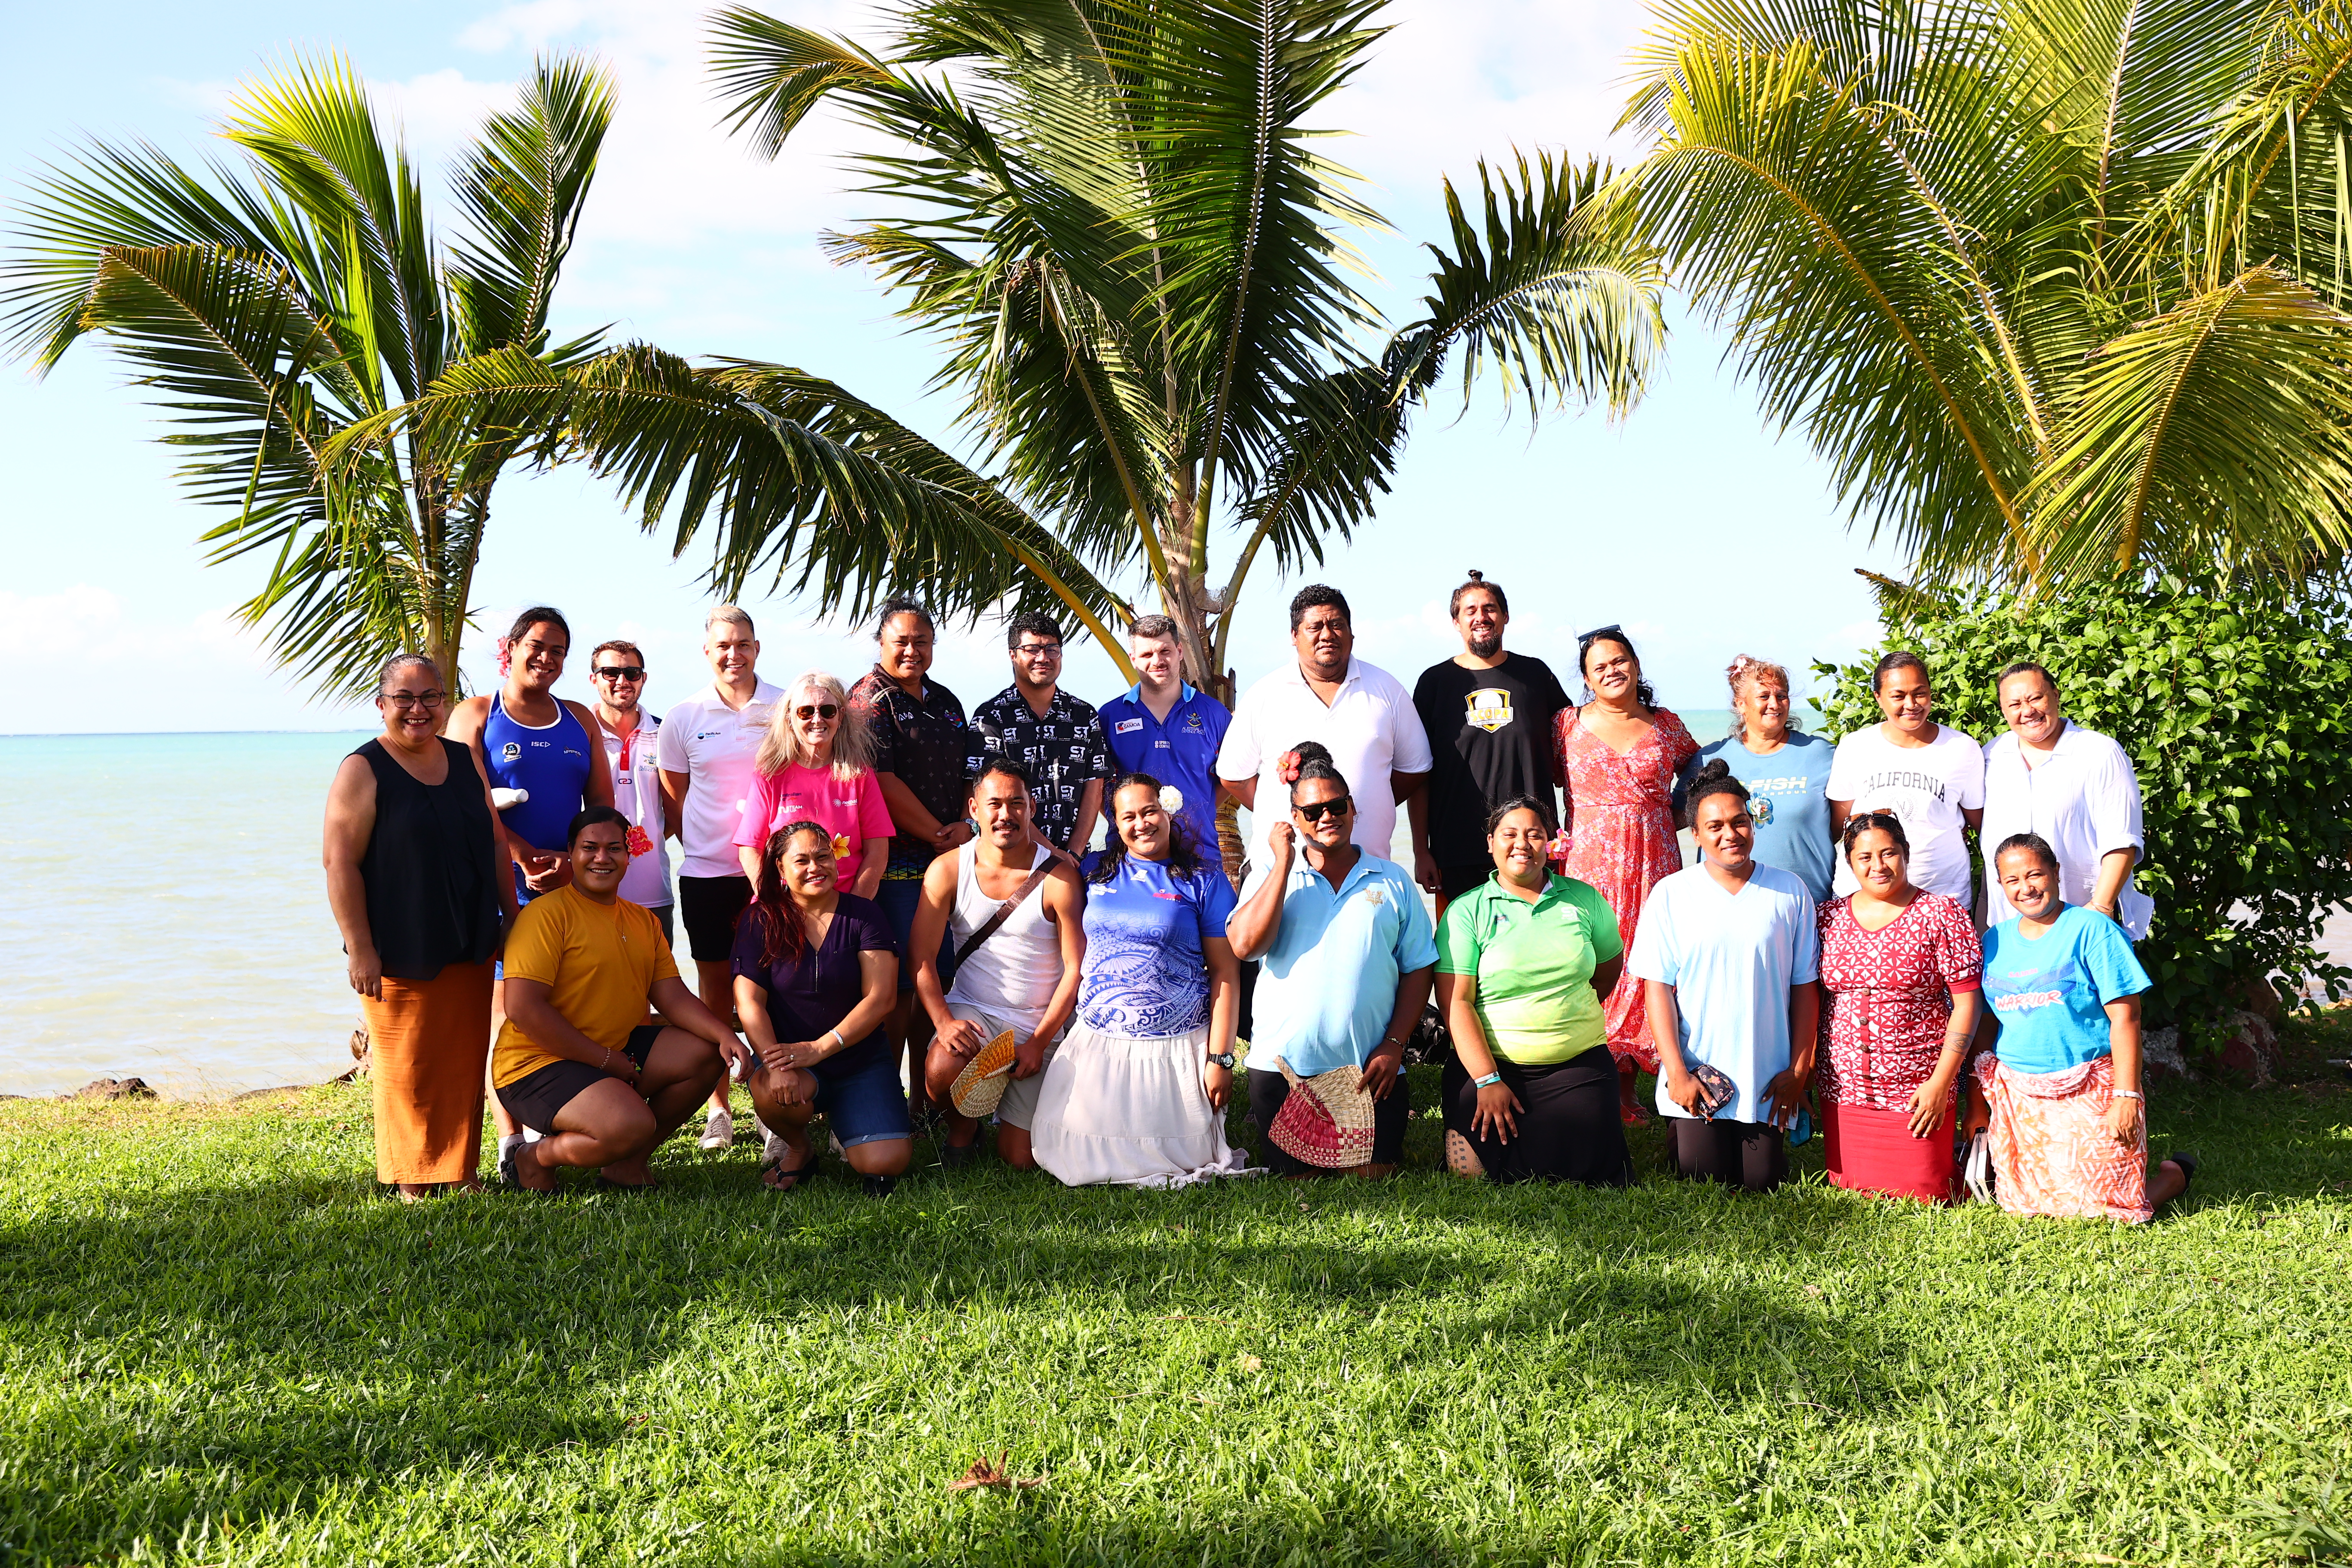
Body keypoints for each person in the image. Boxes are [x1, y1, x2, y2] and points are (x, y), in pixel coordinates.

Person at [323, 653, 515, 1199]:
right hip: (397, 940)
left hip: (470, 935)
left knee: (461, 1057)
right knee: (407, 1063)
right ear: (381, 705)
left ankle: (460, 1170)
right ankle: (413, 1178)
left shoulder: (464, 759)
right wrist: (360, 948)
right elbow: (340, 863)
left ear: (444, 703)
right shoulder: (363, 768)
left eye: (430, 697)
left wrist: (512, 914)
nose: (417, 709)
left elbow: (497, 843)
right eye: (403, 699)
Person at [495, 808, 747, 1192]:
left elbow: (671, 993)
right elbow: (523, 1009)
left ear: (629, 855)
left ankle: (627, 1164)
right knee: (630, 1124)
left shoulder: (642, 920)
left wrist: (725, 1034)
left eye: (614, 848)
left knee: (708, 1052)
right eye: (589, 848)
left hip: (613, 1049)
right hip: (535, 1065)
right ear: (570, 853)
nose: (602, 858)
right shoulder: (545, 916)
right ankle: (534, 1157)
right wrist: (607, 1061)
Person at [446, 606, 613, 1171]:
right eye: (537, 645)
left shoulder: (581, 720)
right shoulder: (474, 716)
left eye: (559, 651)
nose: (546, 658)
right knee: (507, 1016)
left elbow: (605, 809)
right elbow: (466, 804)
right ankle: (509, 1142)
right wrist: (520, 857)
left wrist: (579, 863)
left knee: (567, 1010)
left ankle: (568, 1123)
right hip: (502, 891)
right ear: (510, 647)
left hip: (570, 890)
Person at [1029, 773, 1253, 1187]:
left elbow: (1226, 975)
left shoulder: (1205, 881)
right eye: (1128, 816)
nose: (1141, 823)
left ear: (1167, 811)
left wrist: (1221, 1059)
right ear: (1115, 824)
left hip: (1176, 1048)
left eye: (1149, 811)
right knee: (1066, 1152)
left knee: (1180, 1157)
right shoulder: (1093, 871)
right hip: (1098, 1042)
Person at [1226, 743, 1436, 1179]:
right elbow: (1245, 946)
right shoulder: (1270, 874)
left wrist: (1395, 1045)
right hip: (1285, 1072)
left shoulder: (1392, 879)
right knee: (1301, 1176)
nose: (1327, 816)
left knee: (1370, 1175)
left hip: (1368, 1071)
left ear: (1353, 808)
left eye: (1336, 805)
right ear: (1295, 818)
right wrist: (1284, 863)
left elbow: (1419, 966)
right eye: (1312, 810)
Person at [1965, 833, 2195, 1222]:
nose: (2026, 888)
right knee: (2028, 1209)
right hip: (2021, 1094)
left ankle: (2171, 1180)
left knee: (2101, 1213)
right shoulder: (1994, 940)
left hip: (2091, 1087)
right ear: (2000, 886)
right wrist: (1978, 1103)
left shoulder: (2093, 930)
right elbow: (1985, 1021)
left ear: (2056, 873)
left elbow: (2127, 1016)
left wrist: (2126, 1096)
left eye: (2035, 874)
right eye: (2013, 881)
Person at [1628, 761, 1820, 1194]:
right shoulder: (1671, 894)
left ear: (1754, 824)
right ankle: (1679, 1130)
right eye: (1714, 826)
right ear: (1694, 835)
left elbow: (1805, 988)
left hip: (1767, 1076)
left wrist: (1800, 1069)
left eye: (1740, 822)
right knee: (1704, 1180)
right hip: (1700, 1071)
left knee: (1760, 1181)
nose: (1730, 835)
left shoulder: (1790, 891)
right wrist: (1676, 1072)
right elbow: (1656, 989)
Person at [1434, 795, 1630, 1187]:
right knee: (1470, 1171)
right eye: (1509, 834)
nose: (1522, 844)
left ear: (1551, 843)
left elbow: (1608, 970)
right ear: (1490, 843)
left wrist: (1565, 1013)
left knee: (1595, 1168)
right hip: (1490, 1065)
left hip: (1576, 1065)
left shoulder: (1584, 899)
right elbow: (1456, 1003)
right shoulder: (1466, 910)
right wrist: (1487, 1080)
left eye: (1534, 835)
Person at [1552, 625, 1699, 1119]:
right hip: (1591, 862)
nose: (1612, 671)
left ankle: (1632, 1085)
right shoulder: (1566, 725)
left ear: (1635, 665)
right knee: (1591, 958)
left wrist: (1666, 818)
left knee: (1650, 962)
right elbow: (1541, 777)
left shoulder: (1667, 724)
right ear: (1588, 679)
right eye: (1600, 667)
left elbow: (1700, 786)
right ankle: (1593, 1077)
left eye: (1620, 661)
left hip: (1655, 860)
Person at [913, 760, 1087, 1170]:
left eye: (1016, 804)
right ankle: (963, 1132)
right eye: (994, 804)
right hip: (976, 1013)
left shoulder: (1059, 877)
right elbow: (920, 958)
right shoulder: (948, 869)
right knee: (942, 1066)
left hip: (1038, 1024)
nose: (1005, 815)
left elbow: (1075, 968)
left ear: (1032, 809)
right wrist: (943, 1023)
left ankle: (1005, 1109)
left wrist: (1040, 1042)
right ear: (973, 809)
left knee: (1021, 1159)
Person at [655, 606, 784, 1151]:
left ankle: (772, 1107)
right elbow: (675, 800)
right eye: (723, 646)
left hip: (778, 875)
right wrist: (710, 844)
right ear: (707, 653)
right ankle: (718, 1110)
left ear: (758, 648)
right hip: (707, 872)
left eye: (743, 644)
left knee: (774, 987)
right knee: (713, 994)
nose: (734, 654)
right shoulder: (683, 717)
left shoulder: (784, 705)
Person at [732, 821, 913, 1197]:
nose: (816, 867)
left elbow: (882, 998)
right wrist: (777, 1063)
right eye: (802, 860)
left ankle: (852, 1117)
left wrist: (820, 1048)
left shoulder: (865, 915)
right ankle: (801, 1149)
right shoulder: (760, 919)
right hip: (791, 1062)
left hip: (859, 1061)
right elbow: (749, 1002)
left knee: (885, 1165)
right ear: (780, 869)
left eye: (823, 856)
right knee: (769, 1090)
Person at [1815, 812, 1983, 1203]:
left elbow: (1967, 1004)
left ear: (1906, 854)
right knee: (1853, 1190)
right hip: (1845, 1090)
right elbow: (1814, 1002)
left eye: (1888, 853)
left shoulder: (1942, 914)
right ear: (1850, 863)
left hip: (1917, 1089)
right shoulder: (1828, 918)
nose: (1878, 866)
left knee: (1927, 1192)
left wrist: (1942, 1084)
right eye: (1865, 857)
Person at [846, 599, 973, 1114]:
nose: (912, 650)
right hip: (895, 864)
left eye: (922, 641)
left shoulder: (946, 700)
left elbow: (969, 771)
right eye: (901, 640)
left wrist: (967, 826)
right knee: (899, 985)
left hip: (948, 860)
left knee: (939, 978)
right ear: (881, 642)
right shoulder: (868, 699)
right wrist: (941, 833)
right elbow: (880, 781)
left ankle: (928, 1095)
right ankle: (890, 1096)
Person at [1218, 584, 1433, 873]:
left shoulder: (1388, 690)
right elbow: (1234, 777)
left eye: (1337, 625)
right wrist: (1288, 810)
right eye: (1315, 627)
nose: (1327, 635)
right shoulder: (1264, 694)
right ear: (1294, 636)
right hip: (1280, 872)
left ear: (1351, 633)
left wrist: (1365, 802)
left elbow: (1415, 769)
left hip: (1369, 870)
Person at [1411, 571, 1573, 910]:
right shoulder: (1434, 683)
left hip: (1529, 843)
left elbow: (1573, 748)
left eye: (1490, 608)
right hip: (1456, 848)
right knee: (1462, 956)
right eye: (1470, 611)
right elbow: (1419, 775)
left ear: (1505, 617)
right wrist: (1421, 850)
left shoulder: (1536, 676)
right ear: (1456, 622)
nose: (1481, 617)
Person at [1980, 662, 2153, 938]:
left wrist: (2099, 908)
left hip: (2084, 917)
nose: (2027, 712)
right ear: (2004, 711)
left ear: (2056, 695)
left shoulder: (2099, 752)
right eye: (2015, 704)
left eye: (2036, 698)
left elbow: (2122, 839)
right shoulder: (1993, 755)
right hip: (2012, 925)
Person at [1827, 651, 1984, 909]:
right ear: (1878, 697)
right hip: (1862, 898)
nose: (1911, 704)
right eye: (1898, 696)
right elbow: (1838, 825)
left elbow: (1979, 823)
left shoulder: (1962, 748)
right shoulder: (1854, 747)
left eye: (1919, 693)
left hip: (1941, 897)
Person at [1681, 655, 1836, 903]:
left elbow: (1841, 825)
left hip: (1808, 901)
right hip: (1726, 902)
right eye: (1764, 697)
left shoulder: (1821, 754)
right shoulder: (1709, 758)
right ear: (1740, 704)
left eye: (1782, 696)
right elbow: (1678, 819)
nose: (1775, 704)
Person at [733, 671, 893, 899]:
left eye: (828, 711)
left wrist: (854, 910)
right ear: (790, 717)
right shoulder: (769, 777)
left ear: (840, 716)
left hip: (846, 907)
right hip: (785, 908)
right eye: (806, 711)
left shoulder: (860, 776)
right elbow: (750, 850)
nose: (817, 719)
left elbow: (877, 853)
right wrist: (776, 905)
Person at [969, 612, 1111, 858]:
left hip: (1074, 860)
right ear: (1013, 655)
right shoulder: (991, 717)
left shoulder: (1084, 715)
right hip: (1013, 860)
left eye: (1052, 649)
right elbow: (990, 794)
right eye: (1032, 649)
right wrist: (1051, 853)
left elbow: (1094, 786)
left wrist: (1073, 853)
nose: (1043, 658)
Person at [1097, 615, 1232, 864]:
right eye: (1147, 655)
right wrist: (1125, 819)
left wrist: (1200, 806)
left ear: (1180, 652)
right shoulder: (1109, 716)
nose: (1157, 661)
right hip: (1129, 857)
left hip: (1200, 852)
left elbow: (1231, 777)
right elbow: (1096, 783)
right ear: (1133, 659)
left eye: (1165, 651)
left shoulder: (1214, 713)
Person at [585, 639, 675, 944]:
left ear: (644, 679)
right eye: (610, 673)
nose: (622, 681)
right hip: (590, 891)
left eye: (632, 673)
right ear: (594, 679)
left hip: (653, 892)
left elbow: (675, 812)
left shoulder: (665, 734)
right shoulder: (578, 734)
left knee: (657, 987)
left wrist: (646, 840)